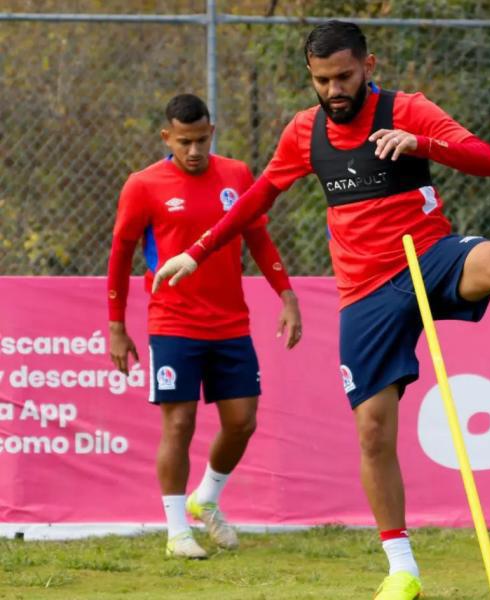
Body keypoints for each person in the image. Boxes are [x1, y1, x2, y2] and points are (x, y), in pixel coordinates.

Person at [152, 22, 490, 598]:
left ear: (371, 66)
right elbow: (260, 197)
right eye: (322, 80)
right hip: (364, 293)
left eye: (344, 75)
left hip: (429, 255)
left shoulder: (408, 109)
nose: (334, 89)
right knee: (372, 432)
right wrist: (197, 251)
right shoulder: (303, 132)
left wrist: (422, 144)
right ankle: (402, 568)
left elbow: (487, 161)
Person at [107, 93, 302, 559]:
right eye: (184, 142)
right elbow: (120, 255)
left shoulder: (236, 175)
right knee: (180, 421)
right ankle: (177, 532)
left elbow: (258, 236)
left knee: (242, 422)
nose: (193, 151)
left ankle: (207, 498)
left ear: (211, 132)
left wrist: (287, 295)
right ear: (166, 137)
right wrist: (116, 325)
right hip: (172, 321)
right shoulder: (143, 185)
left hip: (231, 322)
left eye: (201, 140)